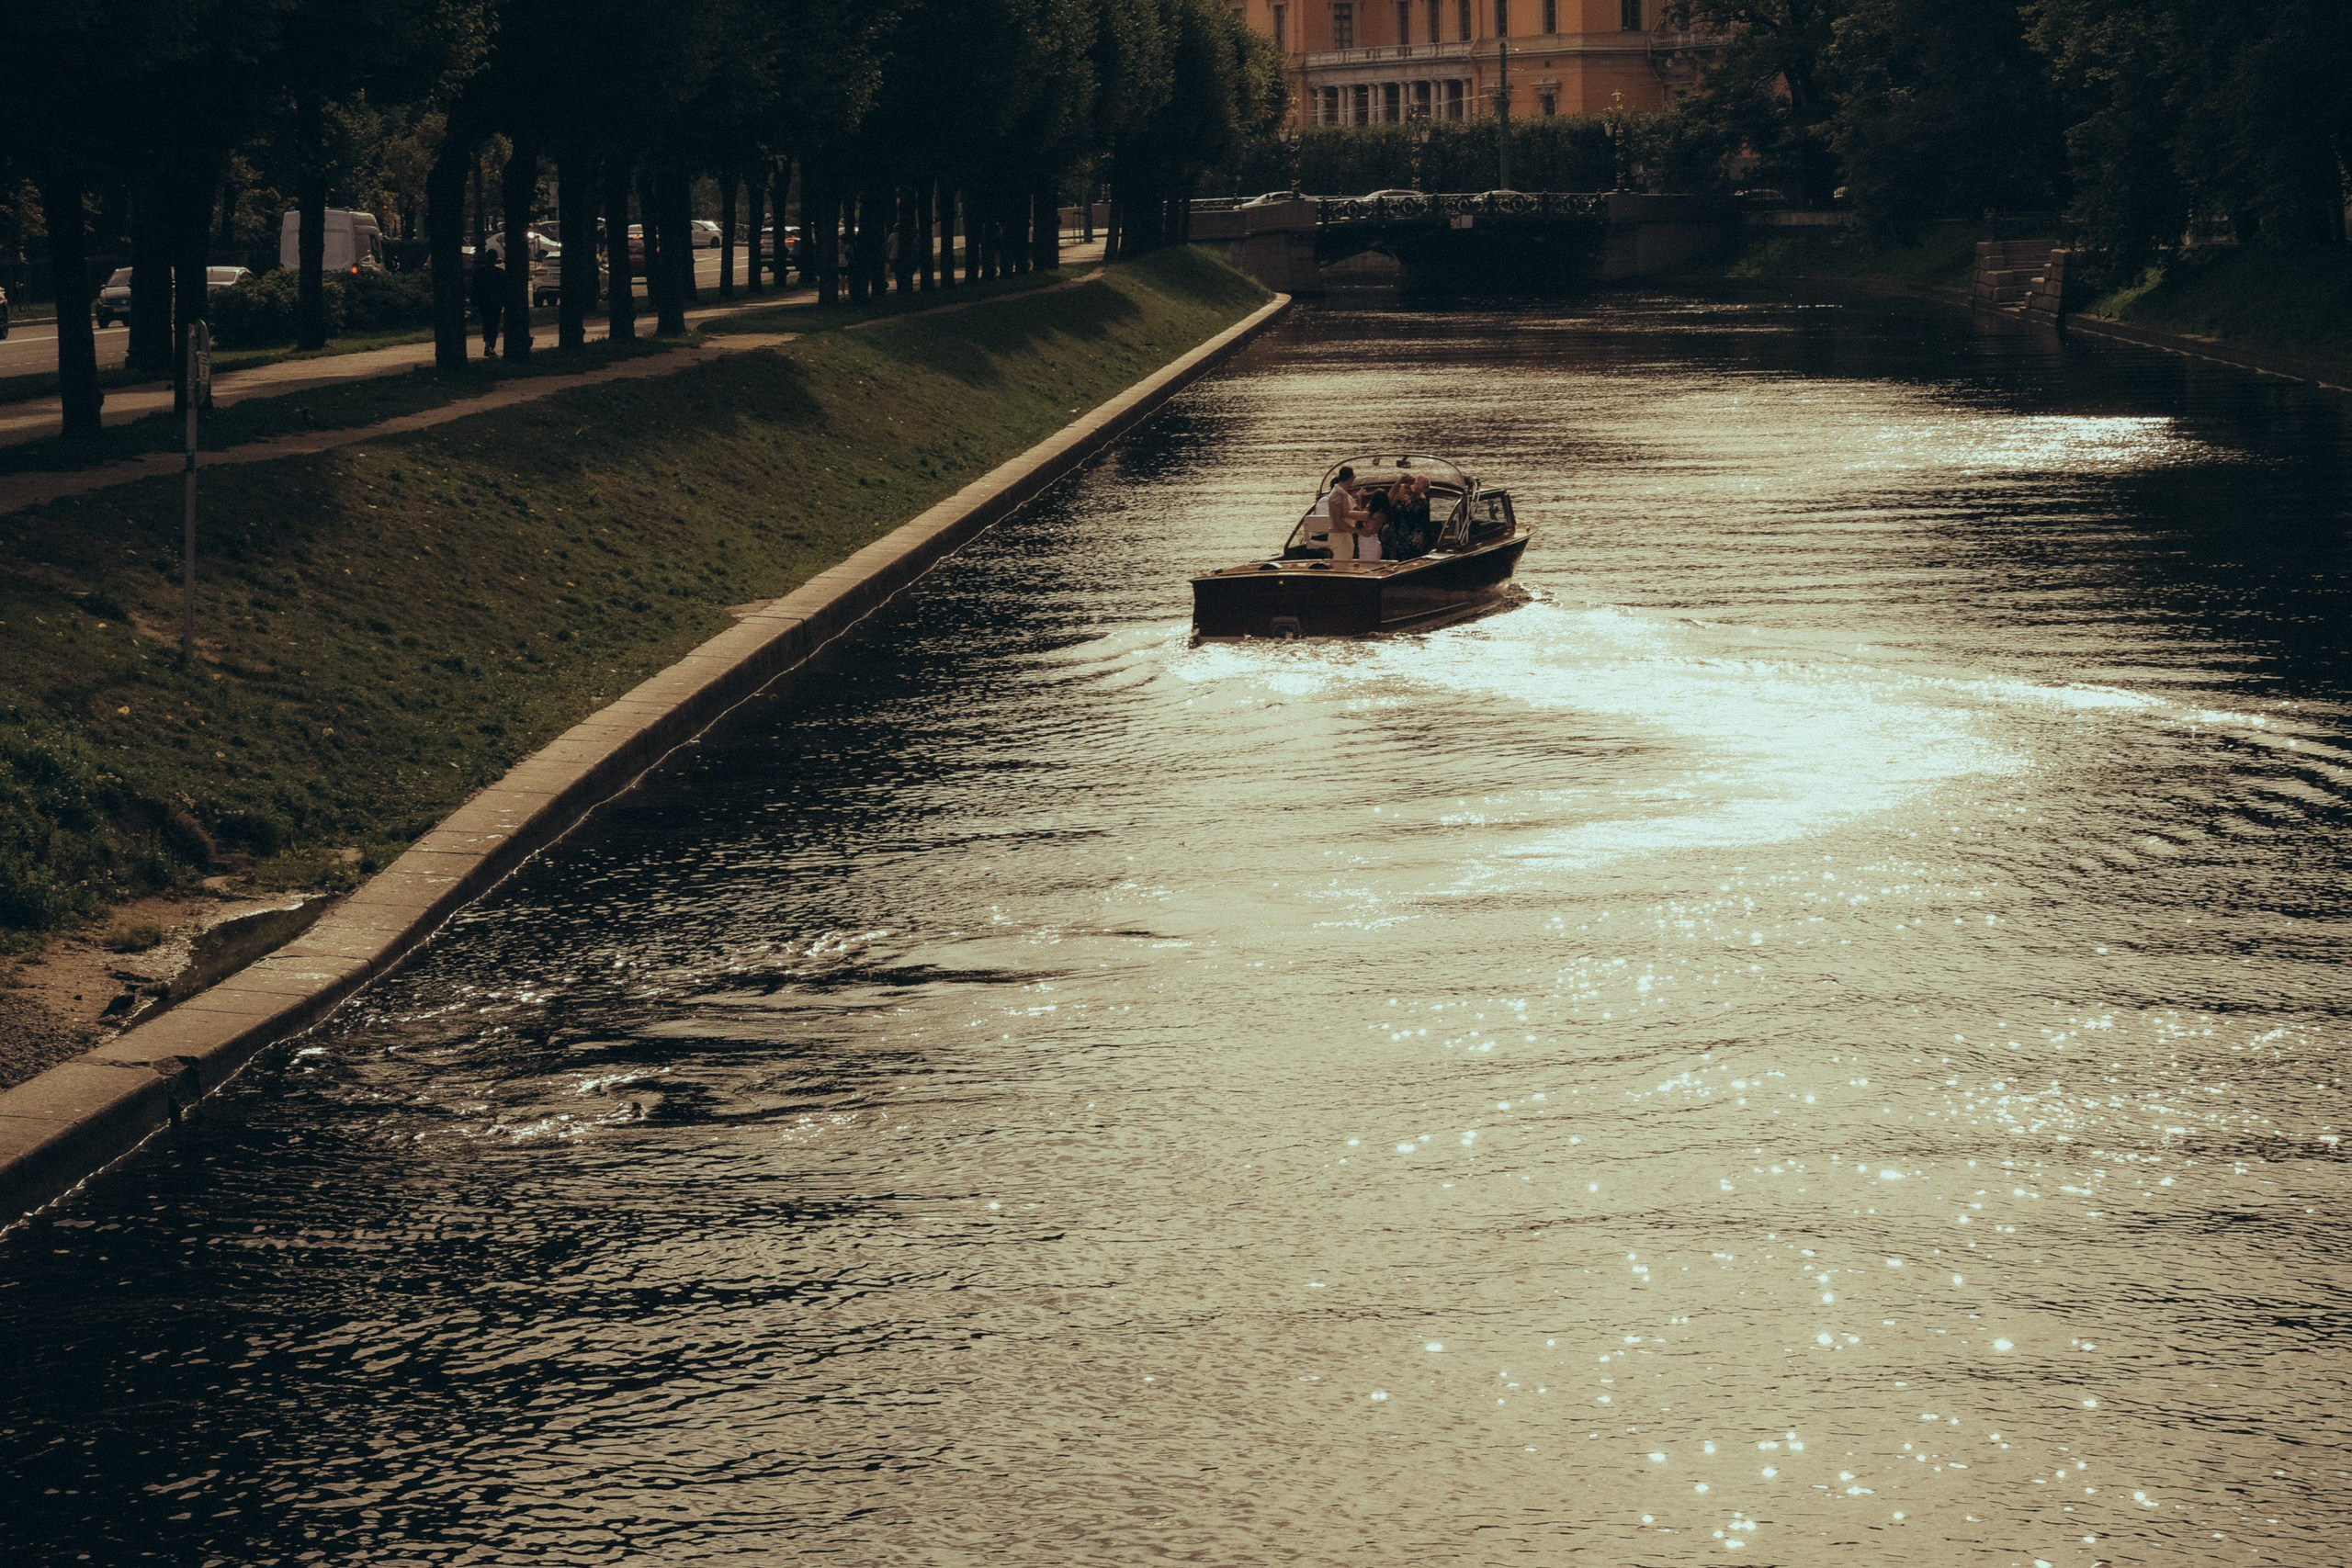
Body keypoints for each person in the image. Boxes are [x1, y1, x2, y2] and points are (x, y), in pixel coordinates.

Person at [470, 253, 505, 357]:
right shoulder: (499, 272)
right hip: (495, 302)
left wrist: (474, 301)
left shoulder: (479, 272)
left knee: (486, 323)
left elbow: (474, 288)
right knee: (494, 324)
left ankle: (487, 344)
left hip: (483, 302)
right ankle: (491, 347)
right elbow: (504, 288)